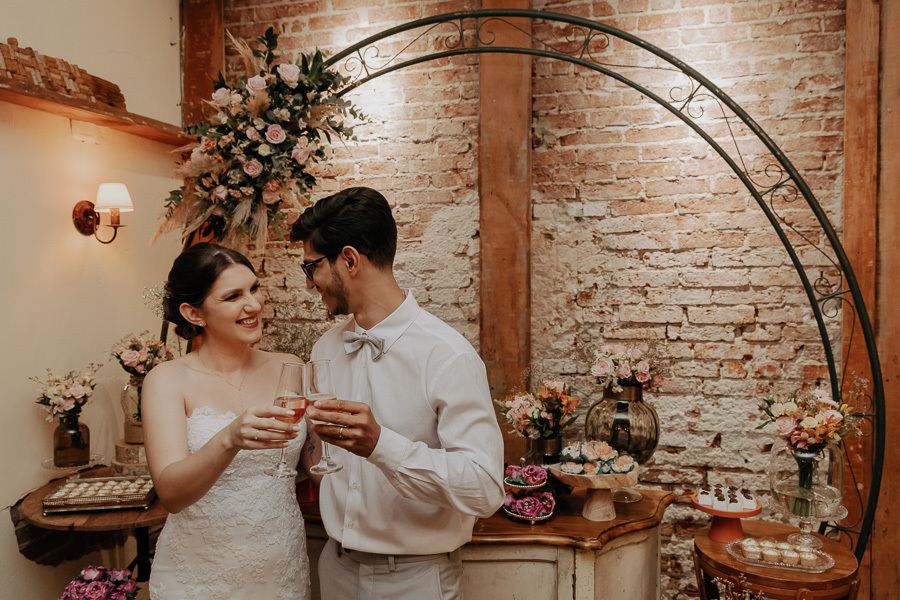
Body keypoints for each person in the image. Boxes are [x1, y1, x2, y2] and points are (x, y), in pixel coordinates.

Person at [290, 187, 505, 600]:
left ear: (349, 260)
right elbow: (321, 460)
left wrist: (381, 445)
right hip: (333, 569)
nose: (309, 283)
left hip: (415, 581)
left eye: (311, 267)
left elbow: (484, 488)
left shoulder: (448, 356)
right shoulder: (326, 349)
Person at [142, 242, 316, 599]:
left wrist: (329, 437)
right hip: (198, 574)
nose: (253, 304)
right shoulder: (167, 380)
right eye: (233, 296)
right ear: (194, 313)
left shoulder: (291, 367)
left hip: (279, 565)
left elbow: (307, 464)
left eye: (253, 288)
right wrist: (229, 438)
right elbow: (171, 495)